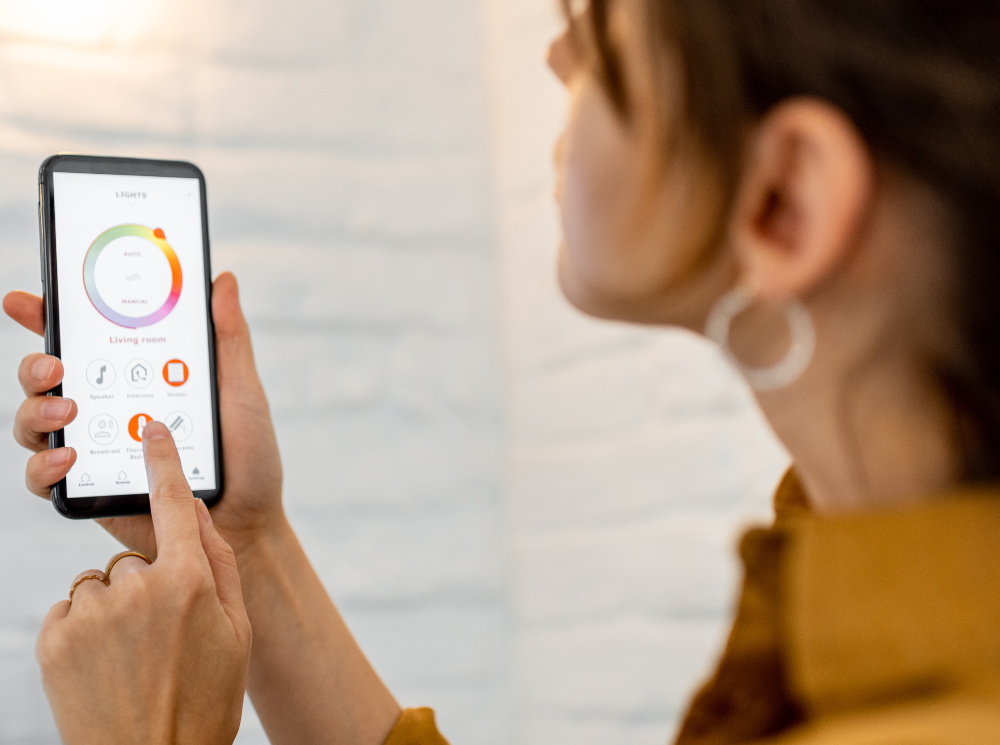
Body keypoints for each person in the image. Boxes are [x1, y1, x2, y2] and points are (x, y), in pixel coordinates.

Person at [7, 0, 1000, 742]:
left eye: (604, 28)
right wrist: (248, 545)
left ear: (784, 199)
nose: (557, 48)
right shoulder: (838, 542)